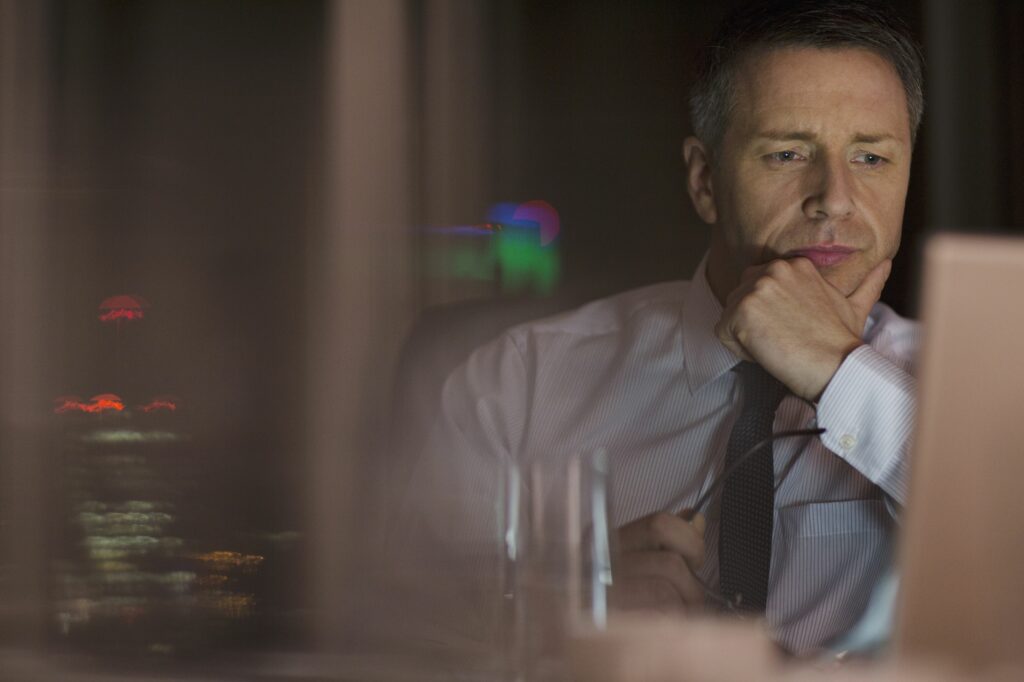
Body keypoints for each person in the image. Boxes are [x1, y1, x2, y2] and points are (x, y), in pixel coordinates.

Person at [387, 0, 921, 657]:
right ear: (704, 181)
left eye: (872, 159)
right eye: (786, 153)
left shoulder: (980, 392)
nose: (835, 198)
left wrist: (840, 371)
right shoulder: (515, 384)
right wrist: (554, 613)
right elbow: (397, 641)